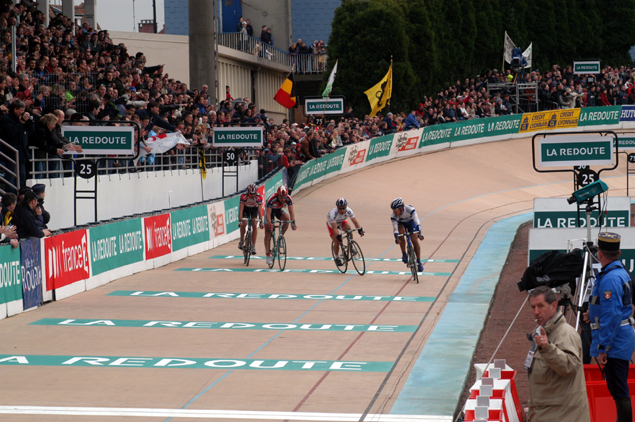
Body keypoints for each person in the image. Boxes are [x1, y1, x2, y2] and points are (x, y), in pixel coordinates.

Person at [587, 232, 635, 422]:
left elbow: (612, 315)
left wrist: (603, 347)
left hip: (614, 342)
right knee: (618, 388)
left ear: (599, 254)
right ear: (619, 253)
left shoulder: (609, 278)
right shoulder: (620, 273)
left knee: (618, 389)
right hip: (620, 338)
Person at [527, 286, 590, 422]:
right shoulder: (541, 332)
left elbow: (570, 366)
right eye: (533, 307)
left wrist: (547, 348)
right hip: (548, 412)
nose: (536, 312)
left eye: (541, 306)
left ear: (554, 306)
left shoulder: (565, 334)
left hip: (562, 415)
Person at [264, 185, 296, 266]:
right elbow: (268, 214)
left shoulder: (288, 198)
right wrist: (270, 223)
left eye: (284, 197)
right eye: (281, 197)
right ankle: (268, 255)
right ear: (277, 195)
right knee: (268, 231)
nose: (283, 199)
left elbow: (291, 212)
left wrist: (293, 222)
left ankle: (281, 237)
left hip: (279, 210)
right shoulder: (272, 199)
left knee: (287, 218)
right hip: (270, 211)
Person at [390, 197, 424, 272]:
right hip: (401, 224)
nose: (394, 212)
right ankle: (404, 253)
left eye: (395, 210)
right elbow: (395, 229)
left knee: (414, 239)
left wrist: (419, 233)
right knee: (400, 233)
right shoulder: (393, 216)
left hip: (411, 223)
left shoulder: (409, 209)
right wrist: (396, 237)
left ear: (401, 208)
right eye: (393, 210)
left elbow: (417, 221)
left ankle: (419, 261)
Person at [327, 197, 364, 266]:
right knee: (337, 241)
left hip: (341, 222)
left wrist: (359, 230)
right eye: (340, 208)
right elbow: (335, 228)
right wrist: (338, 236)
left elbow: (355, 222)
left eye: (344, 208)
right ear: (337, 207)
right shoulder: (333, 214)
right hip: (332, 225)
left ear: (346, 207)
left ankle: (351, 245)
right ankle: (337, 257)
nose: (342, 210)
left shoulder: (349, 211)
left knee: (349, 229)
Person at [238, 183, 263, 255]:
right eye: (251, 194)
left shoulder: (259, 197)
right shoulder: (243, 196)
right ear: (248, 192)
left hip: (254, 210)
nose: (252, 195)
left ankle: (253, 246)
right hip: (245, 210)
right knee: (244, 223)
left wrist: (261, 221)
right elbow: (241, 210)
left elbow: (259, 210)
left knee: (254, 225)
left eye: (254, 194)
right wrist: (240, 221)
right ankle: (242, 240)